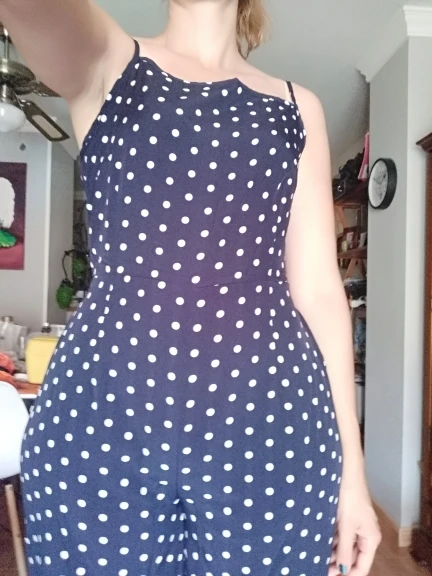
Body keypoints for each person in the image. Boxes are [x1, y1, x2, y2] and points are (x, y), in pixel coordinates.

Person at [2, 0, 381, 574]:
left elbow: (320, 292)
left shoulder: (296, 108)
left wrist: (354, 475)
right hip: (101, 426)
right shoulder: (107, 61)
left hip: (270, 433)